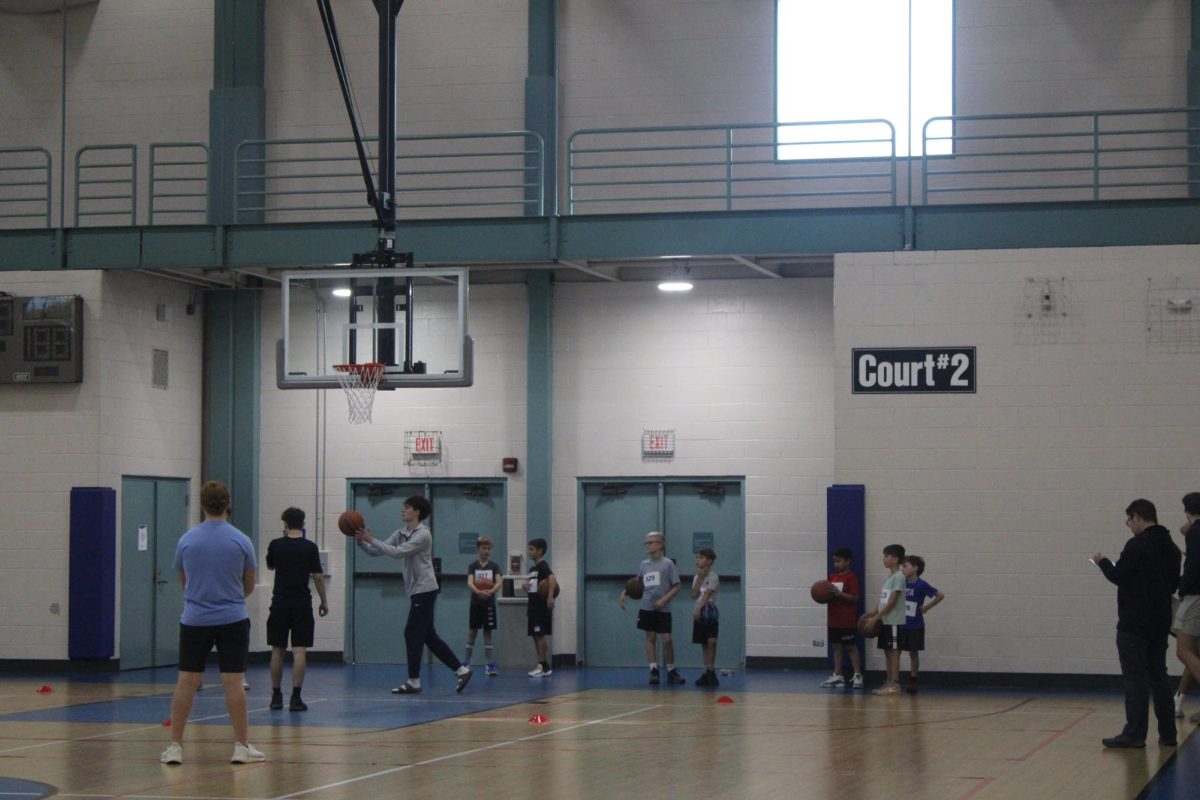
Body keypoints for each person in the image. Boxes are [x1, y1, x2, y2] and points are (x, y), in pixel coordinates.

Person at [160, 480, 264, 765]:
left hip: (194, 619)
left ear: (202, 504)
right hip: (232, 618)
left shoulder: (187, 540)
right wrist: (228, 598)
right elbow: (250, 584)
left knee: (187, 681)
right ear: (227, 503)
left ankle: (175, 747)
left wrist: (201, 599)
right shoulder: (241, 540)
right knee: (233, 682)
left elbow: (184, 581)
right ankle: (241, 746)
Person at [353, 495, 472, 694]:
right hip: (416, 590)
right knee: (429, 636)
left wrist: (371, 539)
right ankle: (461, 670)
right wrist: (361, 543)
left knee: (411, 633)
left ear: (417, 512)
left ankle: (414, 680)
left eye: (407, 507)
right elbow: (378, 551)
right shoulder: (400, 533)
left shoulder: (423, 534)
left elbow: (398, 553)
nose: (403, 510)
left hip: (425, 589)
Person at [1093, 498, 1181, 748]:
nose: (1129, 525)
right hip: (1160, 620)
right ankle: (1168, 734)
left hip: (1134, 621)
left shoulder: (1137, 544)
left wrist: (1104, 564)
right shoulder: (1172, 549)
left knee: (1135, 679)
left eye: (1129, 521)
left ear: (1138, 517)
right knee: (1159, 677)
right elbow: (1173, 585)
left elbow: (1119, 576)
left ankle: (1135, 733)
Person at [265, 507, 328, 712]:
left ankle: (276, 696)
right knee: (299, 650)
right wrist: (324, 601)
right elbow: (318, 576)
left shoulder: (275, 545)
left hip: (280, 602)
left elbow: (271, 566)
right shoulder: (310, 547)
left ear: (285, 523)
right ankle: (296, 697)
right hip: (301, 603)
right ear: (303, 524)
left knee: (277, 650)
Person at [619, 531, 684, 685]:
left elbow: (677, 585)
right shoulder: (644, 564)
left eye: (651, 542)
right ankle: (653, 670)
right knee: (650, 638)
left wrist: (664, 599)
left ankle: (671, 670)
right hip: (647, 606)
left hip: (663, 608)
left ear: (660, 544)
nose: (647, 545)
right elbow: (636, 582)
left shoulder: (668, 564)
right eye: (646, 543)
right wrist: (624, 592)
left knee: (667, 640)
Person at [1172, 493, 1200, 722]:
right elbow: (1184, 529)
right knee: (1195, 652)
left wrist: (1182, 589)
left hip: (1196, 595)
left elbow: (1193, 565)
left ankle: (1179, 699)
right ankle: (1179, 699)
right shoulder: (1194, 530)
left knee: (1184, 651)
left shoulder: (1196, 533)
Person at [899, 555, 944, 694]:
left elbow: (940, 595)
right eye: (902, 566)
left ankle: (913, 678)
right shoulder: (900, 582)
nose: (903, 569)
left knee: (913, 652)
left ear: (915, 568)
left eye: (905, 566)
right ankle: (893, 679)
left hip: (915, 624)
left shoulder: (921, 585)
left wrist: (927, 607)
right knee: (895, 652)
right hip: (900, 623)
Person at [865, 543, 906, 696]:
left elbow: (892, 602)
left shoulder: (899, 577)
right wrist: (872, 613)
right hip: (886, 621)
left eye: (886, 556)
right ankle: (889, 681)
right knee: (887, 651)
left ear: (895, 559)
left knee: (894, 652)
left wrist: (876, 617)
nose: (883, 559)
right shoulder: (890, 577)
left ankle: (895, 684)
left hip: (894, 621)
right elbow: (883, 599)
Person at [819, 547, 862, 690]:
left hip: (846, 620)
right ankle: (838, 675)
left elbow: (855, 598)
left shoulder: (851, 577)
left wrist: (839, 594)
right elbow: (826, 595)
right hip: (833, 619)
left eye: (839, 561)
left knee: (850, 646)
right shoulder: (832, 577)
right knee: (836, 647)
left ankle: (857, 674)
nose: (836, 564)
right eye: (834, 561)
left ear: (848, 561)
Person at [465, 535, 503, 676]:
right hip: (476, 604)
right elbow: (469, 582)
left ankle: (489, 665)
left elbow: (499, 582)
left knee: (488, 633)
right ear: (478, 549)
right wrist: (478, 592)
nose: (486, 551)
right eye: (484, 548)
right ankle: (466, 663)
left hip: (489, 604)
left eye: (489, 548)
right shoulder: (473, 566)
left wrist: (491, 592)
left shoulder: (494, 566)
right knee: (472, 632)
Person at [525, 538, 557, 677]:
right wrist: (526, 586)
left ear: (540, 551)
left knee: (540, 635)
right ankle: (542, 665)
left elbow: (552, 578)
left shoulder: (543, 565)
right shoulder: (532, 569)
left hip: (540, 607)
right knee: (534, 635)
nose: (529, 552)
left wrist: (550, 596)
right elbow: (534, 587)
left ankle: (543, 665)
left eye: (532, 549)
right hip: (532, 606)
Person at [691, 547, 720, 686]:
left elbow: (707, 595)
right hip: (699, 612)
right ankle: (706, 671)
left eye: (701, 558)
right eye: (697, 558)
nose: (698, 560)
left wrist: (698, 609)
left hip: (710, 612)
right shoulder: (697, 577)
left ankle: (712, 669)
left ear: (709, 561)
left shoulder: (714, 576)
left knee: (712, 641)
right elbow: (694, 594)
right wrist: (699, 579)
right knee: (704, 643)